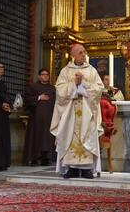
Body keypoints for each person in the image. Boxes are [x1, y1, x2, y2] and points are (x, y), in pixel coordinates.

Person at [50, 43, 104, 179]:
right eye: (80, 52)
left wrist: (83, 84)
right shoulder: (65, 71)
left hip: (87, 111)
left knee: (87, 136)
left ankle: (86, 169)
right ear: (73, 55)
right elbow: (60, 91)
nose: (84, 55)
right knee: (70, 135)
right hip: (70, 112)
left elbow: (99, 89)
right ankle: (71, 168)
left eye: (84, 52)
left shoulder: (92, 71)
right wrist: (74, 84)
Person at [24, 68, 56, 166]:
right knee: (36, 138)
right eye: (43, 74)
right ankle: (34, 159)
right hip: (36, 119)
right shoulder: (33, 86)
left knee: (48, 139)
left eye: (47, 74)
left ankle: (46, 159)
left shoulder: (52, 88)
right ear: (39, 76)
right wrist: (38, 97)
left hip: (49, 118)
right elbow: (27, 99)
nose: (45, 76)